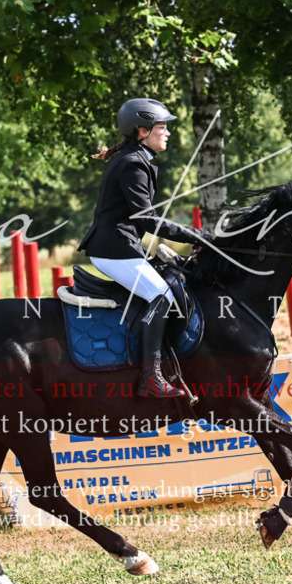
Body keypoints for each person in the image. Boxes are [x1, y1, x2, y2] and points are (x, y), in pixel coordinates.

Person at [77, 98, 209, 398]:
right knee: (161, 296)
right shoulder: (133, 163)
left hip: (120, 246)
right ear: (142, 130)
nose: (168, 133)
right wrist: (195, 236)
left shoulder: (136, 158)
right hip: (113, 249)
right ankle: (151, 378)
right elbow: (147, 219)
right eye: (162, 127)